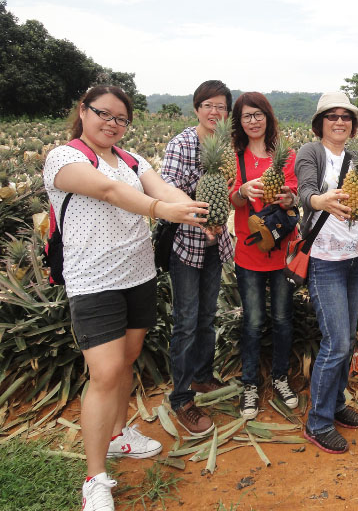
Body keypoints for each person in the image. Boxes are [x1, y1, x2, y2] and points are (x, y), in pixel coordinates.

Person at [43, 85, 210, 511]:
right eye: (104, 114)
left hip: (138, 276)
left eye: (121, 118)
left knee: (128, 358)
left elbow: (165, 188)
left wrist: (194, 209)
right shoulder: (65, 157)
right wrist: (161, 210)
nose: (112, 124)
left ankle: (118, 436)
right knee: (105, 371)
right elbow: (110, 192)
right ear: (83, 111)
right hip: (93, 281)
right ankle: (94, 478)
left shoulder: (134, 160)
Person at [295, 91, 358, 454]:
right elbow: (304, 191)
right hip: (325, 260)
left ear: (353, 124)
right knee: (337, 341)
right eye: (332, 116)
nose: (340, 122)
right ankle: (318, 422)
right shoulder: (310, 153)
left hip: (356, 258)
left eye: (346, 116)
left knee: (348, 338)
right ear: (321, 123)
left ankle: (336, 403)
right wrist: (321, 200)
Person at [161, 80, 234, 436]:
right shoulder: (183, 143)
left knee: (207, 316)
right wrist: (200, 201)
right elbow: (167, 186)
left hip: (215, 246)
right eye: (209, 105)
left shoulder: (225, 145)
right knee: (186, 321)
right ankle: (181, 398)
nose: (215, 112)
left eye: (221, 107)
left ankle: (203, 377)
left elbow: (230, 187)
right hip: (186, 246)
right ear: (197, 108)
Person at [229, 92, 299, 419]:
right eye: (247, 116)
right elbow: (233, 201)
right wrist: (241, 191)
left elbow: (294, 199)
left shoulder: (286, 156)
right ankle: (249, 384)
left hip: (283, 251)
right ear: (239, 122)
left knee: (283, 319)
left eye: (258, 114)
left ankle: (281, 376)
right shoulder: (235, 156)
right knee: (254, 321)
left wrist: (288, 198)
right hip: (249, 252)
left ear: (268, 117)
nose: (253, 121)